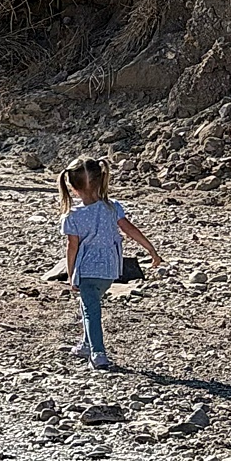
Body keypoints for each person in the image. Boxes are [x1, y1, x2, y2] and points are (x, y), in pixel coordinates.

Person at [58, 156, 161, 370]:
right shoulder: (112, 207)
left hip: (87, 270)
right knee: (90, 304)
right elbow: (130, 229)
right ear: (101, 179)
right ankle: (86, 344)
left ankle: (98, 354)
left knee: (91, 310)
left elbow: (72, 247)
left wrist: (70, 273)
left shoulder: (72, 216)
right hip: (110, 269)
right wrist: (151, 249)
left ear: (73, 187)